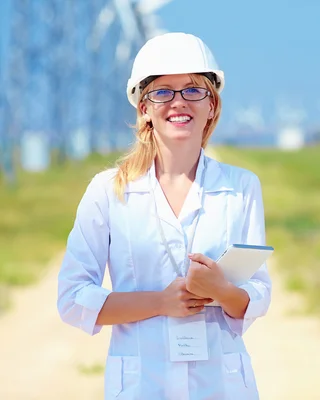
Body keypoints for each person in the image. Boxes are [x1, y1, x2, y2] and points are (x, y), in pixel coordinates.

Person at [57, 32, 272, 399]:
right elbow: (73, 298)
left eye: (192, 90)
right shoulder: (107, 192)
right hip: (142, 385)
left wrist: (220, 290)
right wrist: (160, 302)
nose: (178, 102)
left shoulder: (242, 188)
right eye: (162, 91)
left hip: (220, 385)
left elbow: (258, 294)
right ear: (144, 108)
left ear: (212, 104)